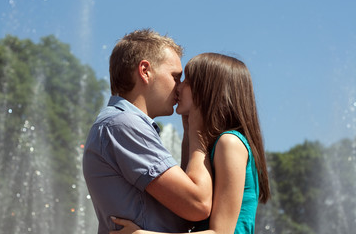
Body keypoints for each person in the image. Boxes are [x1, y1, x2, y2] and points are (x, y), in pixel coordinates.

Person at [110, 53, 271, 234]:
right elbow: (187, 211)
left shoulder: (229, 143)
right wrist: (191, 132)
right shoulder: (210, 143)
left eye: (187, 81)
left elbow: (221, 232)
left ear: (206, 90)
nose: (178, 86)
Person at [83, 29, 213, 234]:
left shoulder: (120, 124)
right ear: (145, 71)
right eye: (175, 77)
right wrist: (199, 132)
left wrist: (189, 131)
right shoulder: (123, 124)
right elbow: (198, 205)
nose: (179, 88)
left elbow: (184, 214)